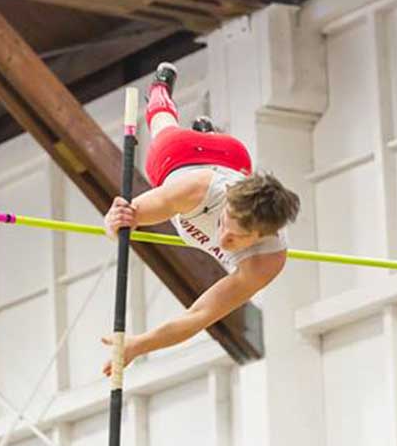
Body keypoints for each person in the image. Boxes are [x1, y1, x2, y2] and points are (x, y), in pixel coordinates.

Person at [101, 63, 301, 375]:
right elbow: (126, 220)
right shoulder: (193, 189)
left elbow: (199, 314)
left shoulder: (267, 260)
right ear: (230, 204)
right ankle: (159, 90)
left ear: (261, 236)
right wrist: (116, 221)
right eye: (224, 223)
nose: (223, 239)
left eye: (235, 239)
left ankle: (206, 132)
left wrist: (138, 345)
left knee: (223, 169)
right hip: (186, 159)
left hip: (230, 164)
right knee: (164, 130)